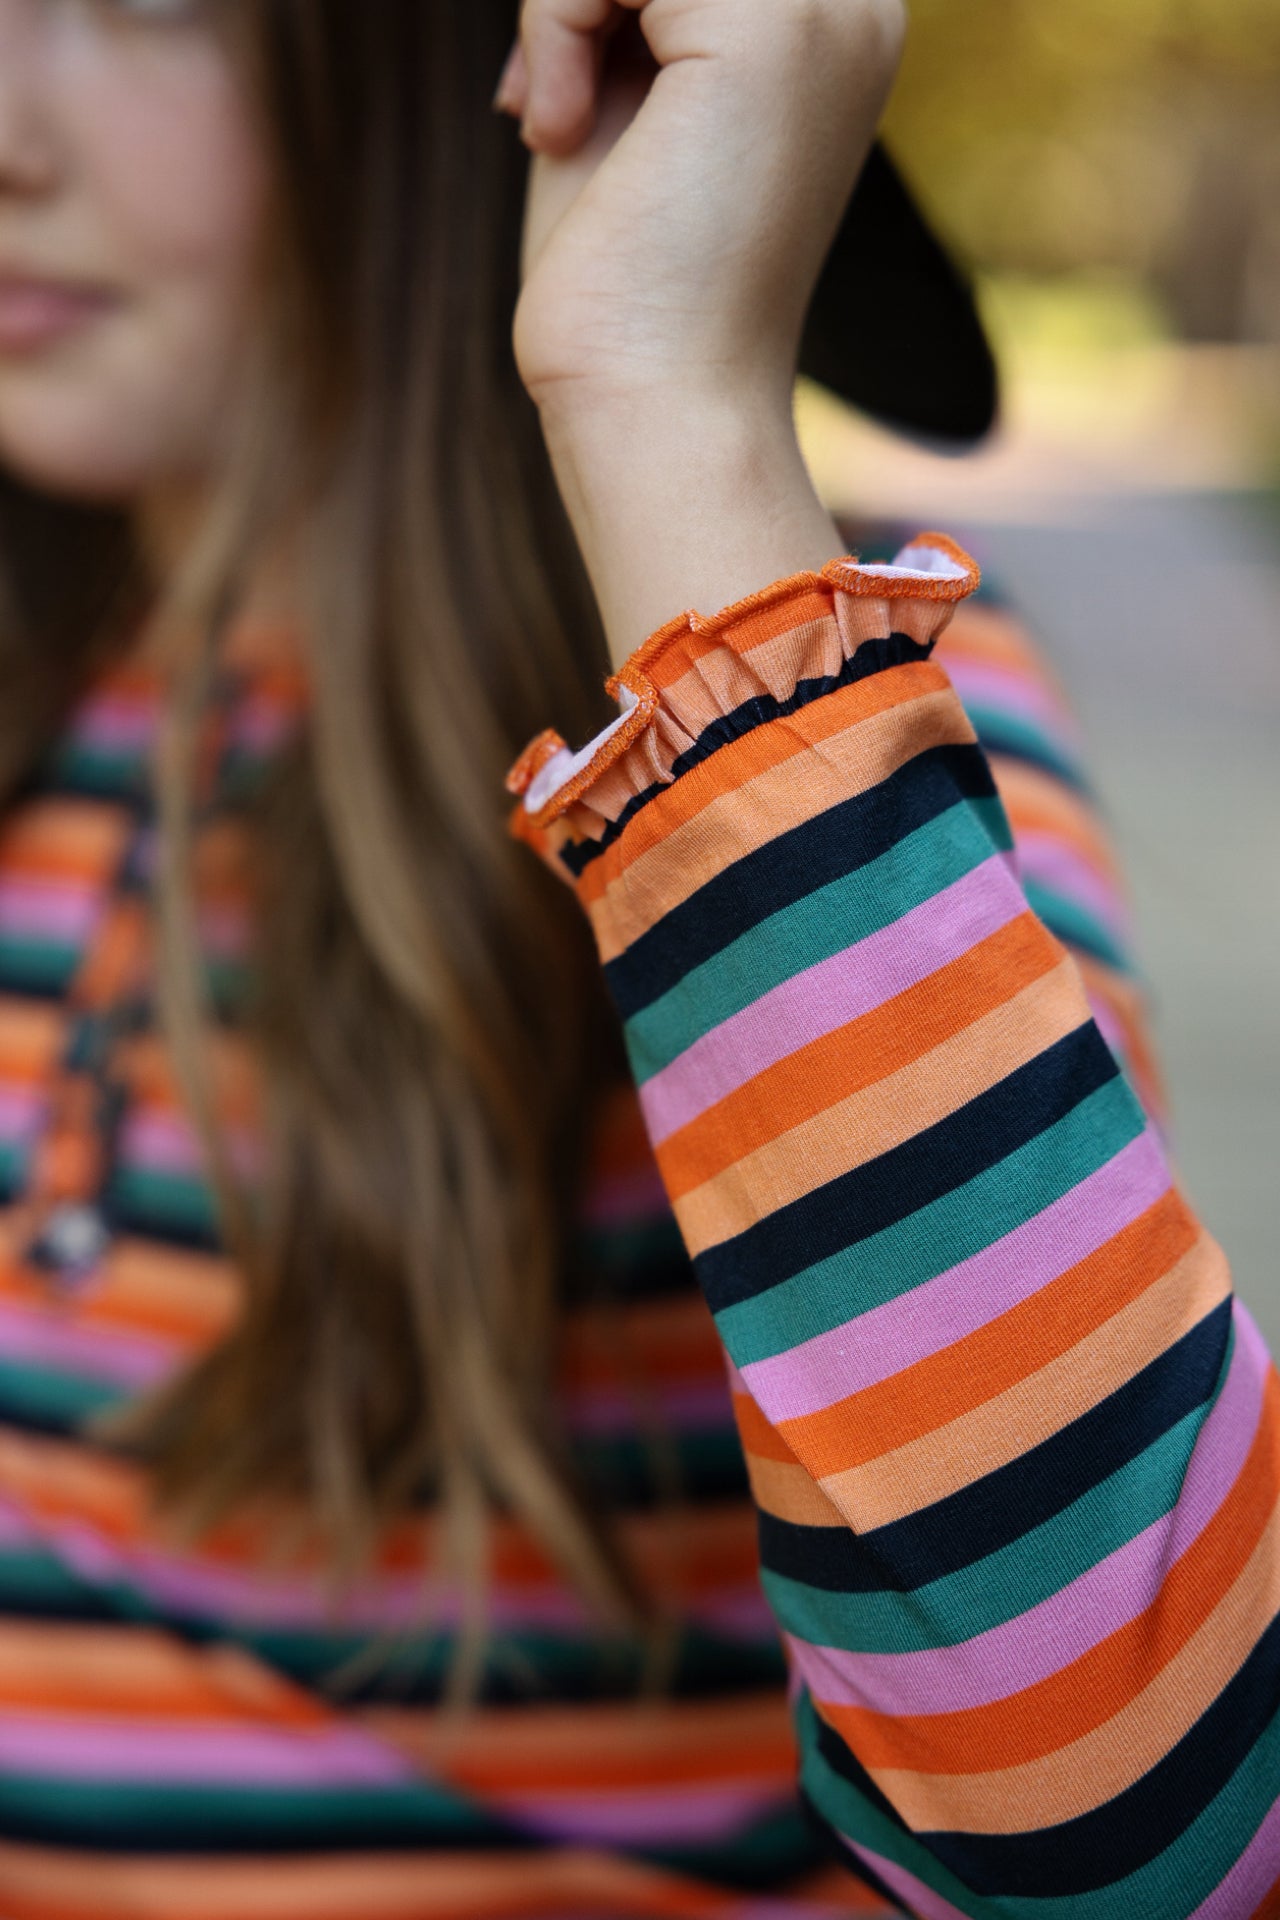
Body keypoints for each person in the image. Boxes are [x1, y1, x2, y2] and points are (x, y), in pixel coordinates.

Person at [0, 2, 1273, 1917]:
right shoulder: (62, 702)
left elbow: (1145, 1838)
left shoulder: (808, 739)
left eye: (145, 6)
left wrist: (660, 394)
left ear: (498, 62)